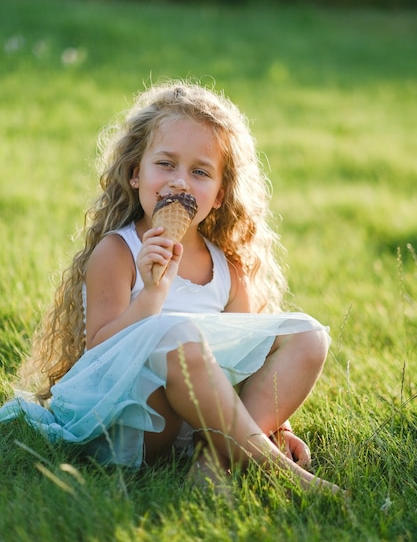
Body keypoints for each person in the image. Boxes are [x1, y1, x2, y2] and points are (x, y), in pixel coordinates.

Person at [0, 80, 340, 493]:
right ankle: (281, 474)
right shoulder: (118, 252)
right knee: (177, 333)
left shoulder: (227, 268)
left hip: (200, 421)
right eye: (166, 164)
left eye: (199, 172)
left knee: (308, 334)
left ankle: (213, 458)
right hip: (134, 419)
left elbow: (245, 361)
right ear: (135, 174)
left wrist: (276, 421)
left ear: (218, 195)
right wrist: (152, 295)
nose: (180, 182)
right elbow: (99, 352)